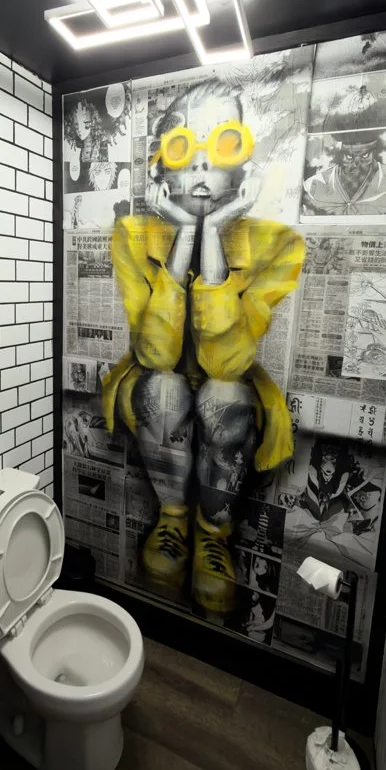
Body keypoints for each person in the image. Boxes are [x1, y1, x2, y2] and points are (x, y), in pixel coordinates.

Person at [102, 78, 304, 613]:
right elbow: (156, 355)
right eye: (182, 147)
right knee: (163, 386)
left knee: (226, 393)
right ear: (161, 171)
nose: (199, 165)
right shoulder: (131, 235)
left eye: (222, 145)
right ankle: (173, 521)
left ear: (241, 170)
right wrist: (185, 237)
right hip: (160, 387)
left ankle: (213, 532)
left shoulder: (278, 243)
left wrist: (212, 230)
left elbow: (226, 362)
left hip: (226, 388)